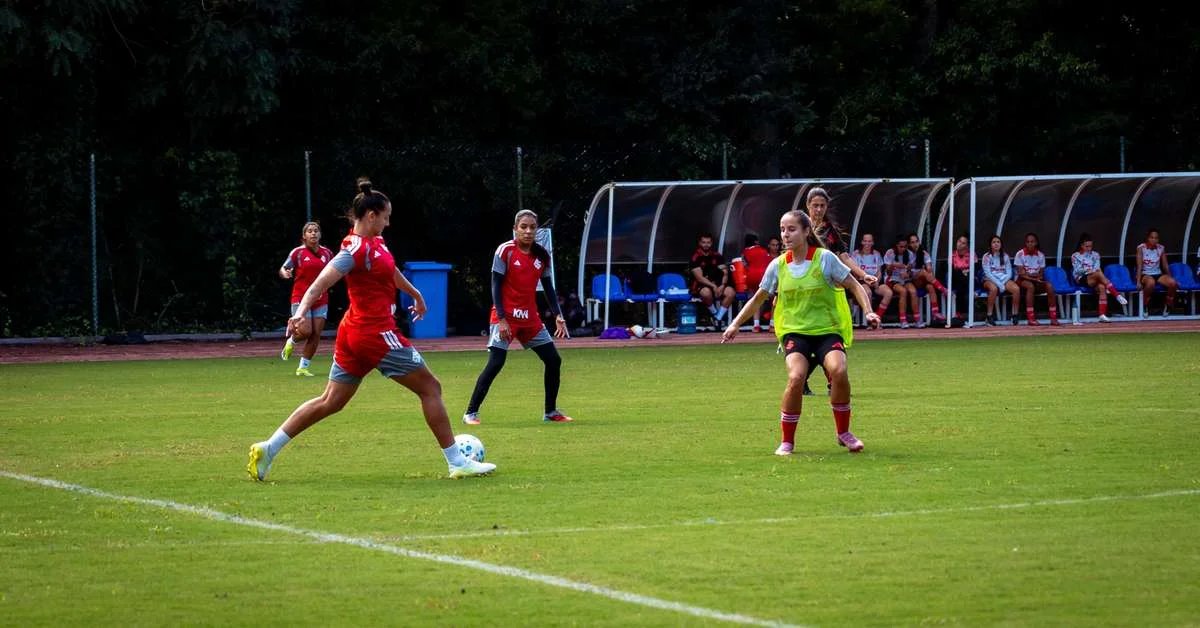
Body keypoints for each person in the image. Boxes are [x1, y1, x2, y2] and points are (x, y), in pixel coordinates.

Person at [246, 178, 495, 482]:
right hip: (375, 334)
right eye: (386, 217)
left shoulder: (376, 243)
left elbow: (389, 271)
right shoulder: (354, 250)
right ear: (372, 215)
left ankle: (268, 449)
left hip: (354, 334)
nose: (388, 223)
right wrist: (299, 313)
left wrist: (415, 294)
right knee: (431, 388)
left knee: (330, 401)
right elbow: (319, 284)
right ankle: (457, 461)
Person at [721, 209, 880, 456]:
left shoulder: (825, 259)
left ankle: (843, 433)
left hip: (827, 331)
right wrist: (735, 324)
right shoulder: (778, 266)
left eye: (792, 229)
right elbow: (758, 298)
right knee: (796, 377)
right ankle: (787, 441)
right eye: (783, 229)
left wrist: (868, 311)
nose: (785, 234)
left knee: (838, 370)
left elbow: (854, 285)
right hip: (795, 334)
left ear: (806, 232)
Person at [463, 210, 573, 425]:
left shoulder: (542, 256)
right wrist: (502, 319)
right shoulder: (505, 251)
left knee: (553, 360)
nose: (528, 231)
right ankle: (471, 412)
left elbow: (549, 288)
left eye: (532, 227)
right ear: (515, 229)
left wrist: (558, 315)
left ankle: (550, 412)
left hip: (530, 319)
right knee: (496, 362)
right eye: (523, 226)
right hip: (506, 317)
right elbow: (495, 284)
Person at [279, 221, 334, 376]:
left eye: (316, 230)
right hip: (300, 297)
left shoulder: (327, 253)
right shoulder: (298, 252)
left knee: (316, 333)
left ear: (320, 234)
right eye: (309, 231)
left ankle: (303, 367)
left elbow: (336, 270)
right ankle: (292, 341)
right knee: (305, 331)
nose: (313, 233)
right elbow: (284, 268)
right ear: (304, 236)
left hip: (321, 298)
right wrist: (285, 273)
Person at [1070, 233, 1128, 323]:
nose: (1089, 249)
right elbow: (1077, 270)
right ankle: (1116, 294)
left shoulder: (1096, 255)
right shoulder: (1075, 255)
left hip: (1095, 277)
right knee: (1098, 274)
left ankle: (1102, 315)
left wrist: (1091, 271)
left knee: (1101, 287)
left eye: (1090, 246)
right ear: (1081, 245)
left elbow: (1097, 267)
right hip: (1082, 278)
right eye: (1087, 246)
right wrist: (1089, 271)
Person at [1013, 232, 1060, 326]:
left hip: (1035, 280)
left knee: (1049, 286)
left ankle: (1053, 318)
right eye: (1028, 242)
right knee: (1030, 286)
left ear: (1036, 243)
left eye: (1032, 241)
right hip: (1021, 281)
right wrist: (1034, 277)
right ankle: (1031, 318)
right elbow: (1021, 274)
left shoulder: (1040, 255)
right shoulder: (1020, 254)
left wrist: (1034, 276)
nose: (1030, 244)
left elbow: (1041, 274)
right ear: (1025, 243)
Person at [689, 233, 736, 325]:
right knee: (706, 293)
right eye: (704, 242)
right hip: (703, 285)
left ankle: (718, 318)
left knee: (731, 292)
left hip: (718, 283)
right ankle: (714, 313)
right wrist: (713, 286)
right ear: (699, 243)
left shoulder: (717, 256)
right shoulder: (695, 257)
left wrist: (722, 285)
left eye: (708, 242)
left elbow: (725, 272)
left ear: (711, 243)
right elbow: (700, 278)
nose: (706, 244)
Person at [1136, 228, 1178, 318]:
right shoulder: (1141, 248)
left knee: (1173, 283)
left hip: (1157, 273)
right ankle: (1145, 305)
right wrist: (1138, 281)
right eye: (1152, 237)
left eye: (1156, 238)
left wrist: (1170, 277)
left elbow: (1165, 265)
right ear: (1147, 238)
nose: (1154, 240)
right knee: (1151, 283)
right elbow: (1139, 266)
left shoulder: (1161, 248)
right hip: (1145, 274)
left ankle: (1168, 305)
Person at [980, 235, 1021, 326]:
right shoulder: (986, 256)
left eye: (998, 242)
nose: (996, 244)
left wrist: (1002, 282)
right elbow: (988, 273)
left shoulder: (1005, 256)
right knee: (994, 289)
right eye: (994, 242)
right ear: (990, 245)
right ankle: (989, 316)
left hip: (1003, 279)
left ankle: (1014, 315)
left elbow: (1009, 272)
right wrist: (999, 284)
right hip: (989, 279)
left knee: (1016, 289)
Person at [852, 233, 893, 324]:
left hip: (874, 281)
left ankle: (877, 317)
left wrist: (877, 280)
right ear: (862, 242)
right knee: (868, 293)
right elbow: (855, 273)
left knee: (888, 292)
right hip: (862, 281)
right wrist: (867, 280)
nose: (867, 243)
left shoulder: (876, 254)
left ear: (873, 242)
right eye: (865, 241)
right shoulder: (856, 254)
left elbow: (879, 271)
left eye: (869, 241)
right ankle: (870, 321)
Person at [908, 233, 948, 324]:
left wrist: (929, 269)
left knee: (930, 286)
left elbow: (929, 268)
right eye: (912, 242)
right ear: (909, 244)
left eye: (916, 241)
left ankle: (935, 312)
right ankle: (942, 289)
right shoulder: (908, 254)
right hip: (912, 281)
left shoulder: (923, 253)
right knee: (922, 272)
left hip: (923, 280)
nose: (915, 244)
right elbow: (908, 272)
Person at [882, 234, 921, 327]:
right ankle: (903, 320)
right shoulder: (890, 253)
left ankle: (917, 319)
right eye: (901, 247)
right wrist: (894, 265)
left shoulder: (910, 254)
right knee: (903, 291)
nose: (903, 249)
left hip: (904, 279)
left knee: (913, 291)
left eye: (905, 246)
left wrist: (908, 273)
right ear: (896, 245)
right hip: (892, 279)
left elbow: (911, 271)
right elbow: (888, 270)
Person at [742, 234, 773, 332]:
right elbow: (770, 264)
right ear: (756, 241)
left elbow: (744, 264)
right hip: (764, 276)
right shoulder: (764, 251)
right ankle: (772, 324)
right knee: (775, 299)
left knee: (756, 299)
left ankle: (756, 325)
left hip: (751, 276)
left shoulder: (745, 252)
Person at [949, 235, 975, 321]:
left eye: (963, 243)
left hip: (968, 279)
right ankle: (960, 313)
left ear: (967, 246)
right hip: (956, 279)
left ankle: (958, 313)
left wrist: (965, 271)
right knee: (958, 276)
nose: (960, 244)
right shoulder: (952, 254)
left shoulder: (971, 254)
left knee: (962, 283)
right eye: (959, 241)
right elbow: (951, 270)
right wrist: (962, 271)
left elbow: (975, 268)